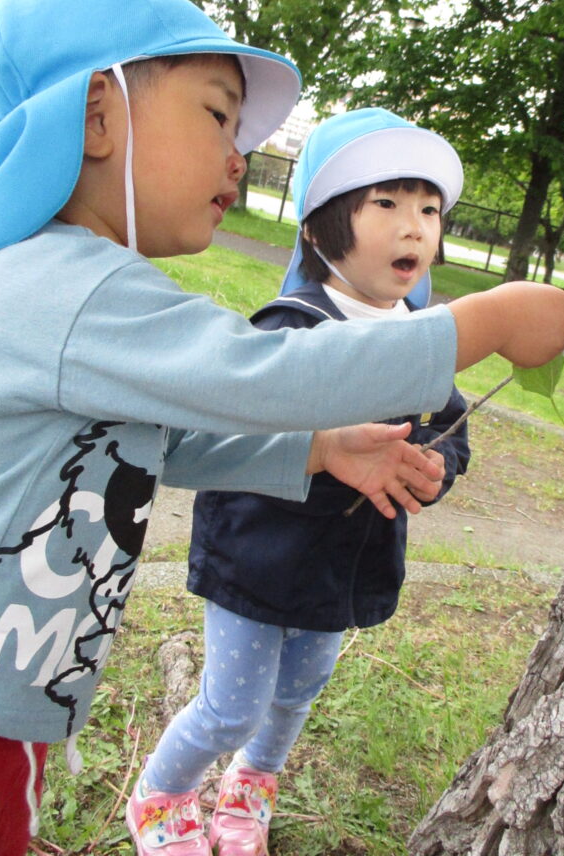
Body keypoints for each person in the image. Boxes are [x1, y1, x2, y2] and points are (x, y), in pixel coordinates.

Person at [0, 0, 564, 855]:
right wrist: (481, 322)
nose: (239, 153)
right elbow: (264, 371)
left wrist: (311, 451)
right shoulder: (69, 285)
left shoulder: (68, 285)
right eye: (218, 114)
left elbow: (163, 443)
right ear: (98, 116)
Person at [129, 107, 472, 856]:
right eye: (385, 203)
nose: (413, 226)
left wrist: (436, 469)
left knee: (294, 696)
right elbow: (232, 431)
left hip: (342, 570)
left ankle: (252, 785)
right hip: (258, 558)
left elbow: (453, 431)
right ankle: (163, 791)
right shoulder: (291, 327)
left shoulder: (423, 341)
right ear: (317, 229)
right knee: (231, 705)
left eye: (428, 208)